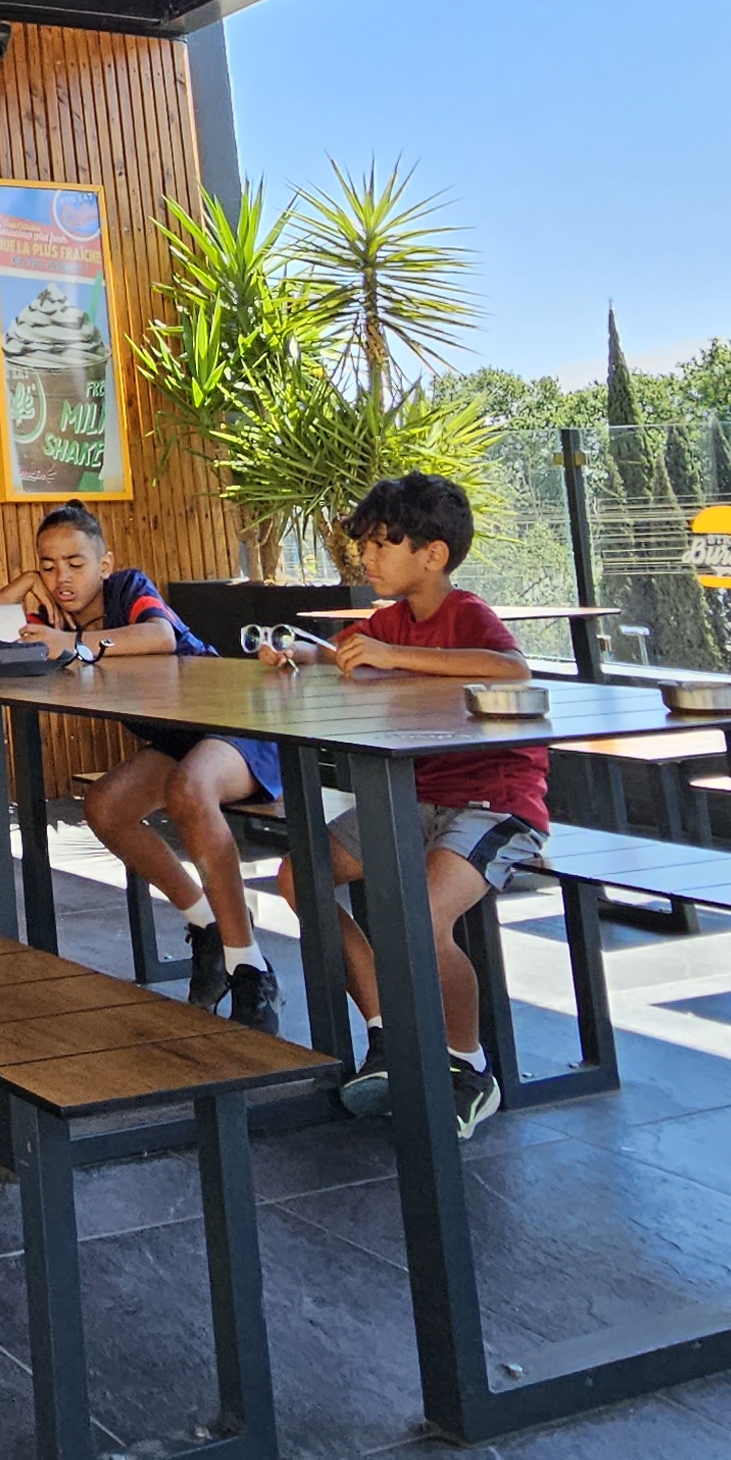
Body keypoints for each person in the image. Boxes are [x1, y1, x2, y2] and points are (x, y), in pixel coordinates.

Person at [306, 472, 544, 1135]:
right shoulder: (390, 621)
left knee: (419, 916)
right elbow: (345, 655)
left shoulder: (467, 614)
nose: (366, 557)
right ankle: (388, 1034)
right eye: (365, 545)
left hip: (493, 802)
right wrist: (296, 654)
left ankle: (468, 1067)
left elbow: (513, 670)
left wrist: (392, 655)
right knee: (302, 876)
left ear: (432, 554)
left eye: (381, 544)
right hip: (416, 796)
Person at [12, 504, 283, 1029]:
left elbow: (160, 637)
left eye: (75, 563)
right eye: (47, 566)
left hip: (236, 723)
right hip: (179, 741)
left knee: (189, 790)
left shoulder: (128, 588)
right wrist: (24, 585)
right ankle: (207, 924)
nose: (61, 577)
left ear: (105, 564)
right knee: (105, 806)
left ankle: (249, 965)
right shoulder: (52, 616)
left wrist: (71, 646)